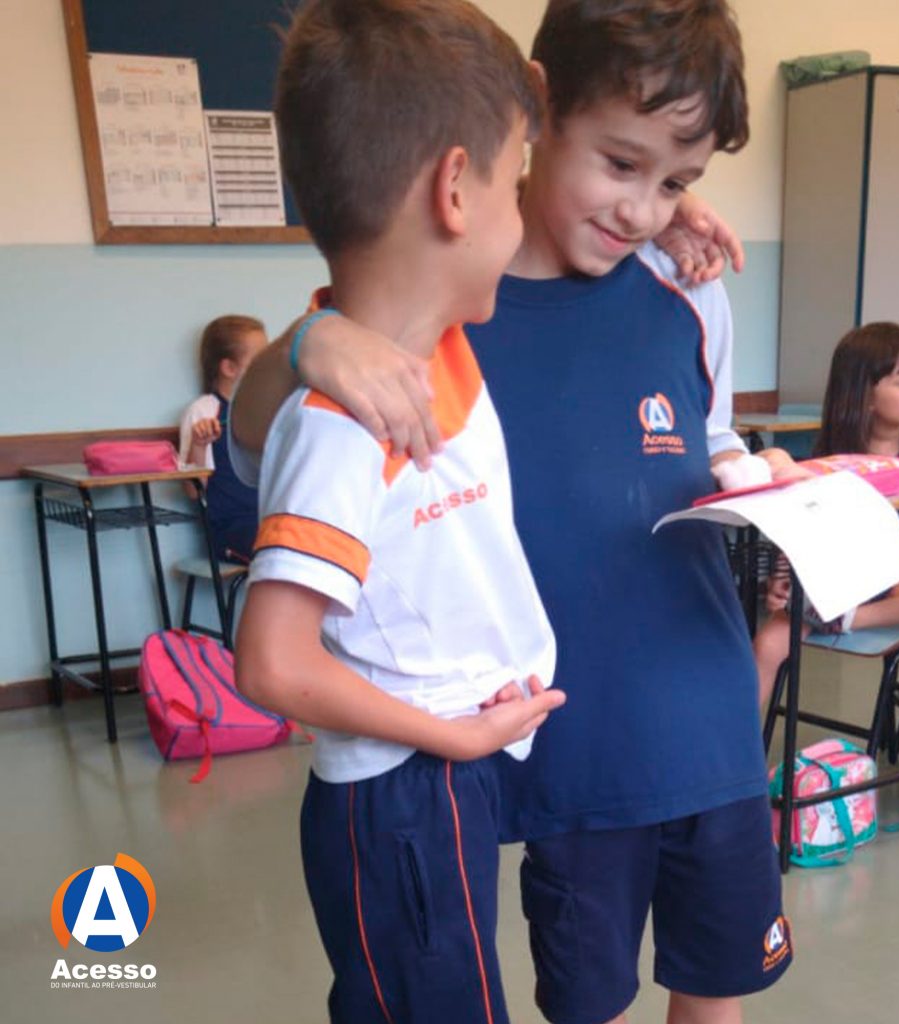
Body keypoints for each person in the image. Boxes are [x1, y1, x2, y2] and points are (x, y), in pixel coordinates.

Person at [233, 4, 794, 1024]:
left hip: (703, 715)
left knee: (718, 987)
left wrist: (760, 481)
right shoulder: (441, 304)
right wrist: (312, 340)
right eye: (620, 163)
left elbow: (702, 446)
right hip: (556, 743)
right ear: (536, 107)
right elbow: (254, 440)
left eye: (677, 182)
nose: (644, 210)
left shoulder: (682, 286)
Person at [232, 3, 565, 1023]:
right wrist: (448, 739)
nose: (526, 219)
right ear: (455, 189)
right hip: (402, 788)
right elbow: (271, 664)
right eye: (517, 184)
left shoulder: (439, 348)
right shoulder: (341, 423)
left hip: (438, 771)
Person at [753, 321, 899, 704]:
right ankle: (742, 746)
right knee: (767, 645)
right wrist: (783, 582)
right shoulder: (830, 456)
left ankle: (850, 620)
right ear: (864, 397)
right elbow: (805, 536)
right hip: (839, 586)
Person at [178, 314, 266, 562]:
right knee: (291, 554)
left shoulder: (265, 409)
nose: (267, 366)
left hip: (272, 519)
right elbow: (193, 492)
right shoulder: (203, 411)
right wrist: (199, 445)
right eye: (260, 358)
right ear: (229, 368)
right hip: (231, 530)